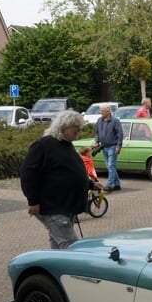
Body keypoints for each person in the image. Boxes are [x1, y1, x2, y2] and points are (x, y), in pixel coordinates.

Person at [20, 111, 104, 249]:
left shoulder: (66, 144)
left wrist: (91, 184)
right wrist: (33, 201)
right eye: (75, 127)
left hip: (65, 207)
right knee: (71, 246)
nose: (78, 130)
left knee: (58, 244)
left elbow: (70, 172)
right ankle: (73, 270)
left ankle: (54, 270)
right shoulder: (43, 145)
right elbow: (27, 173)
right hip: (52, 207)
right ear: (63, 127)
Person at [94, 102, 123, 192]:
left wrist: (118, 146)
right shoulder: (99, 120)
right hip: (104, 147)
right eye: (100, 111)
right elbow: (97, 133)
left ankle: (110, 185)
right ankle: (117, 184)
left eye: (102, 111)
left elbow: (120, 134)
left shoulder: (115, 121)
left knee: (111, 166)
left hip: (113, 147)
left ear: (108, 111)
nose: (101, 112)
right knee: (111, 167)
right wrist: (96, 140)